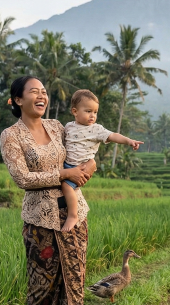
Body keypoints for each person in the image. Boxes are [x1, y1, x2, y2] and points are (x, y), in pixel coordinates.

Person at [0, 76, 95, 305]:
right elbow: (22, 178)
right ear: (18, 100)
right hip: (39, 221)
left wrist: (89, 166)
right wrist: (64, 175)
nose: (42, 96)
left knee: (74, 281)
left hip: (74, 216)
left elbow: (85, 147)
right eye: (34, 91)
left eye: (44, 91)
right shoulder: (11, 135)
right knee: (41, 285)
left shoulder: (57, 127)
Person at [61, 89, 143, 232]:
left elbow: (113, 136)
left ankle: (73, 215)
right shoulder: (68, 126)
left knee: (67, 186)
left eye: (95, 112)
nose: (92, 115)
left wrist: (129, 141)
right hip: (66, 165)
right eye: (88, 111)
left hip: (80, 168)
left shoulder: (96, 129)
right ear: (75, 111)